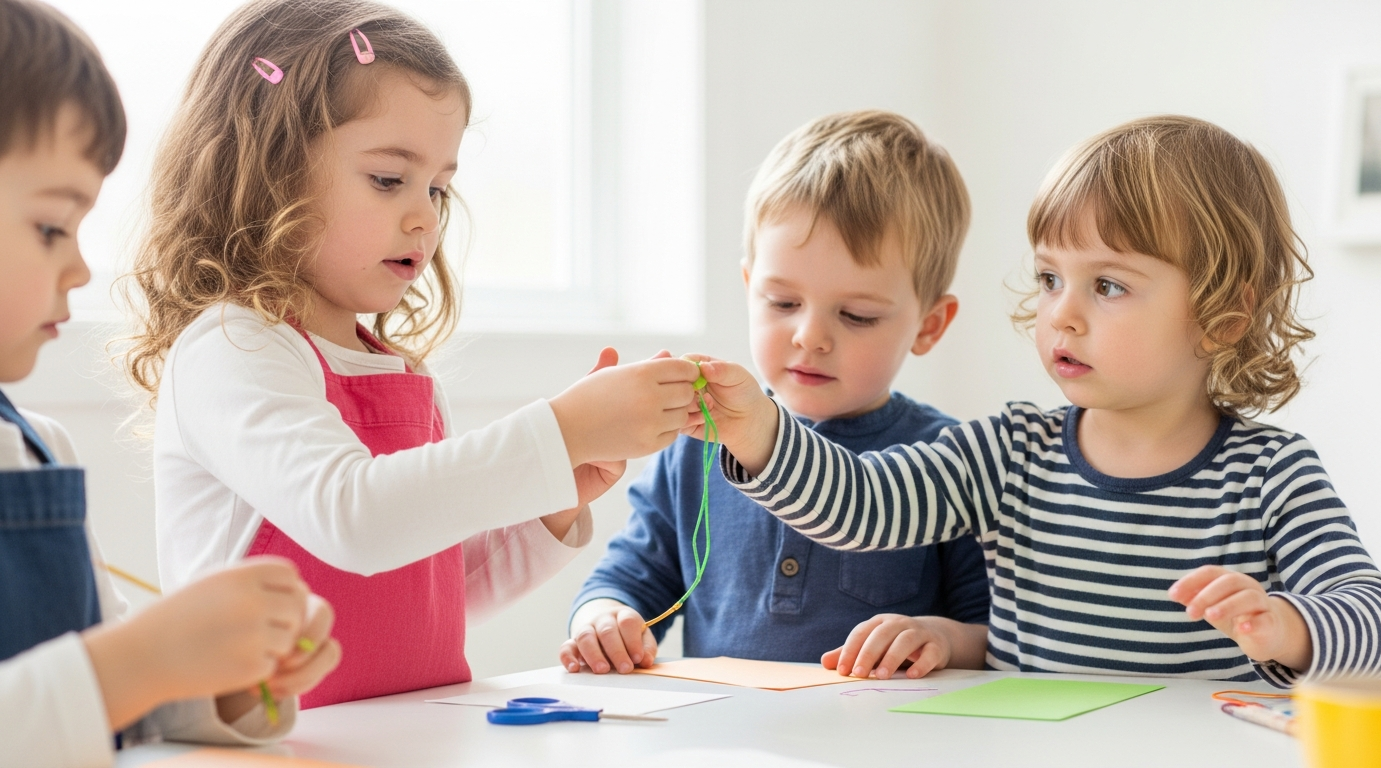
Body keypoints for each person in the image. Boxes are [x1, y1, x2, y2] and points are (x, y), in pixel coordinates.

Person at [122, 0, 702, 708]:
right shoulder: (231, 347)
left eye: (438, 188)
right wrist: (561, 429)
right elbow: (355, 519)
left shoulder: (401, 374)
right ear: (271, 170)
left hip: (405, 737)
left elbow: (429, 592)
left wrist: (552, 501)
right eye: (389, 179)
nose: (426, 215)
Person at [692, 115, 1381, 685]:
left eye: (1108, 285)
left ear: (1222, 316)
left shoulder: (1269, 475)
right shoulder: (1008, 452)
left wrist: (1291, 626)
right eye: (1049, 278)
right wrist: (760, 431)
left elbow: (1377, 616)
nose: (1061, 313)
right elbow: (863, 503)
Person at [0, 2, 339, 764]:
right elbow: (104, 679)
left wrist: (223, 680)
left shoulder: (37, 449)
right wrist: (139, 661)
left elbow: (114, 702)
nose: (82, 267)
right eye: (52, 226)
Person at [562, 111, 990, 680]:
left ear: (930, 325)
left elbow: (996, 632)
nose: (809, 335)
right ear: (749, 288)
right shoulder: (696, 446)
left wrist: (939, 637)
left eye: (857, 315)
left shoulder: (948, 460)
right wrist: (604, 620)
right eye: (782, 303)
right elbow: (626, 580)